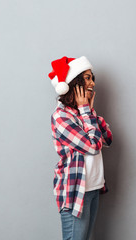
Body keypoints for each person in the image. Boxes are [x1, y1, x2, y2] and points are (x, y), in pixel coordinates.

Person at [48, 56, 113, 240]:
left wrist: (89, 111)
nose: (92, 83)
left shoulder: (84, 113)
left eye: (93, 77)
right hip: (76, 190)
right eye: (87, 78)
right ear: (73, 83)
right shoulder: (61, 116)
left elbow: (108, 139)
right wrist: (86, 110)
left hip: (93, 187)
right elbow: (92, 146)